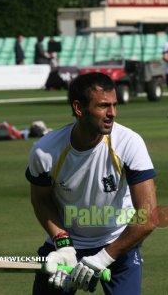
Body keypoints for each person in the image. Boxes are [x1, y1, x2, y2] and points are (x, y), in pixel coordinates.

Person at [25, 72, 158, 294]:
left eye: (115, 105)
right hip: (65, 246)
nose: (112, 114)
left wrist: (103, 258)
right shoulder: (45, 151)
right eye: (103, 106)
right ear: (79, 108)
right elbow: (41, 200)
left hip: (117, 244)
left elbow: (148, 215)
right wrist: (63, 244)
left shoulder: (129, 143)